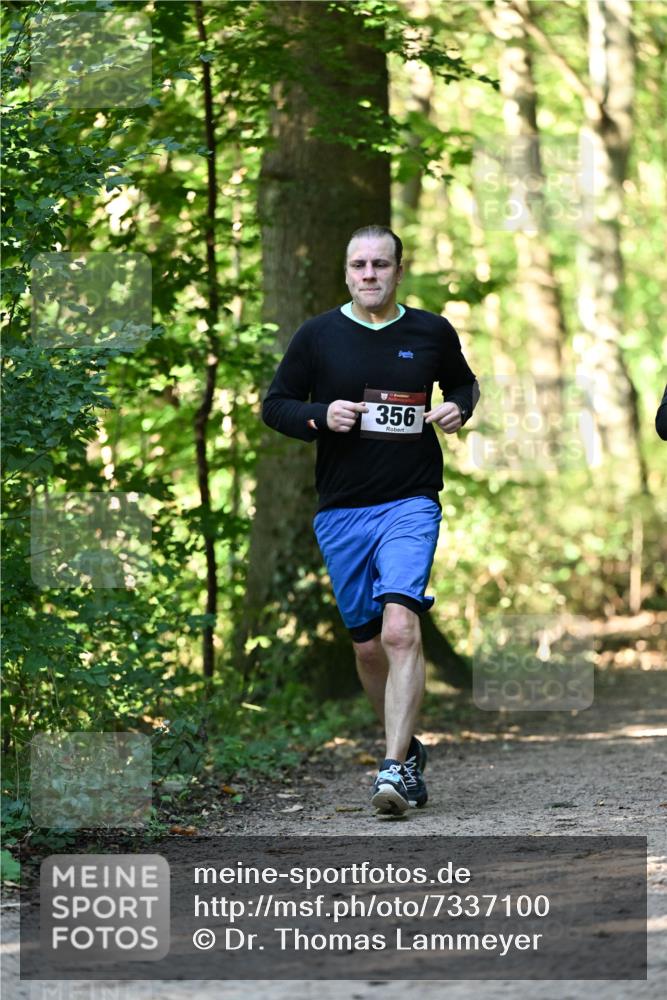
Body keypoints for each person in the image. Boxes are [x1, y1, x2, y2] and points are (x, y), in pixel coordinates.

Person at [262, 224, 479, 816]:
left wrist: (459, 406)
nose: (369, 275)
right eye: (359, 265)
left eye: (380, 265)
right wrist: (318, 415)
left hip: (411, 501)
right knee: (366, 648)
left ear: (398, 271)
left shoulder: (430, 331)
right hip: (341, 510)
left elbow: (463, 381)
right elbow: (274, 405)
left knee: (400, 629)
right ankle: (407, 750)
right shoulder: (318, 336)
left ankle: (392, 767)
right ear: (347, 272)